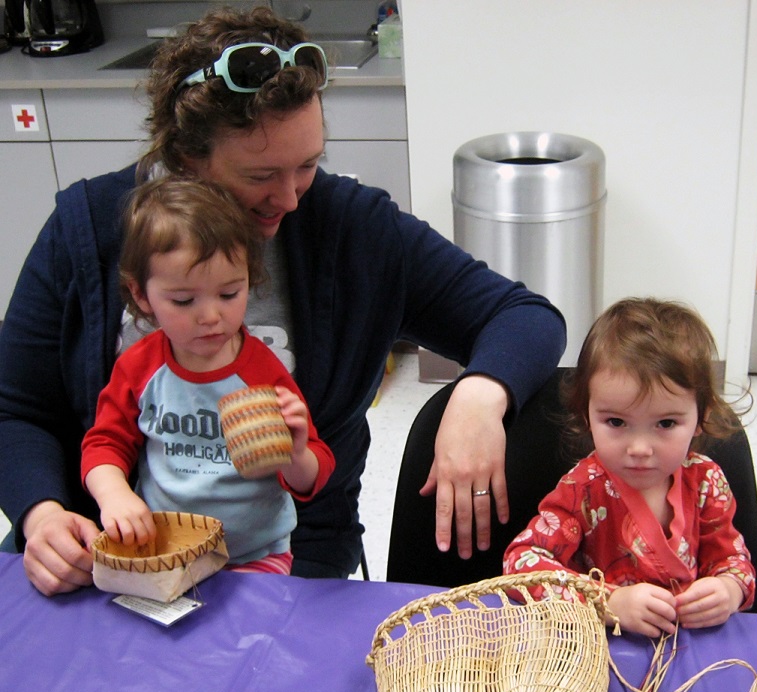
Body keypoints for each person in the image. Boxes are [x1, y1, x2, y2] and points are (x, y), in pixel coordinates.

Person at [0, 6, 566, 595]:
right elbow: (17, 409)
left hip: (285, 562)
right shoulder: (87, 229)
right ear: (187, 158)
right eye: (260, 175)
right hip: (109, 557)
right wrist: (40, 512)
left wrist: (479, 397)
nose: (290, 199)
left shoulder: (356, 231)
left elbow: (525, 316)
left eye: (308, 165)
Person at [82, 176, 335, 574]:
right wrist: (113, 495)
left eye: (230, 294)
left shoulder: (262, 371)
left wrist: (296, 454)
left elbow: (312, 477)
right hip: (167, 549)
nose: (211, 317)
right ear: (142, 295)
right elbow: (104, 443)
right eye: (184, 300)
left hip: (255, 554)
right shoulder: (140, 367)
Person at [503, 298, 756, 638]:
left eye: (665, 423)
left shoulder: (706, 482)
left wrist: (729, 589)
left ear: (701, 418)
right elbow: (520, 563)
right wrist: (607, 602)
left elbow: (733, 559)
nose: (639, 449)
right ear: (586, 415)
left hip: (690, 651)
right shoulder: (583, 489)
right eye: (616, 422)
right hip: (599, 652)